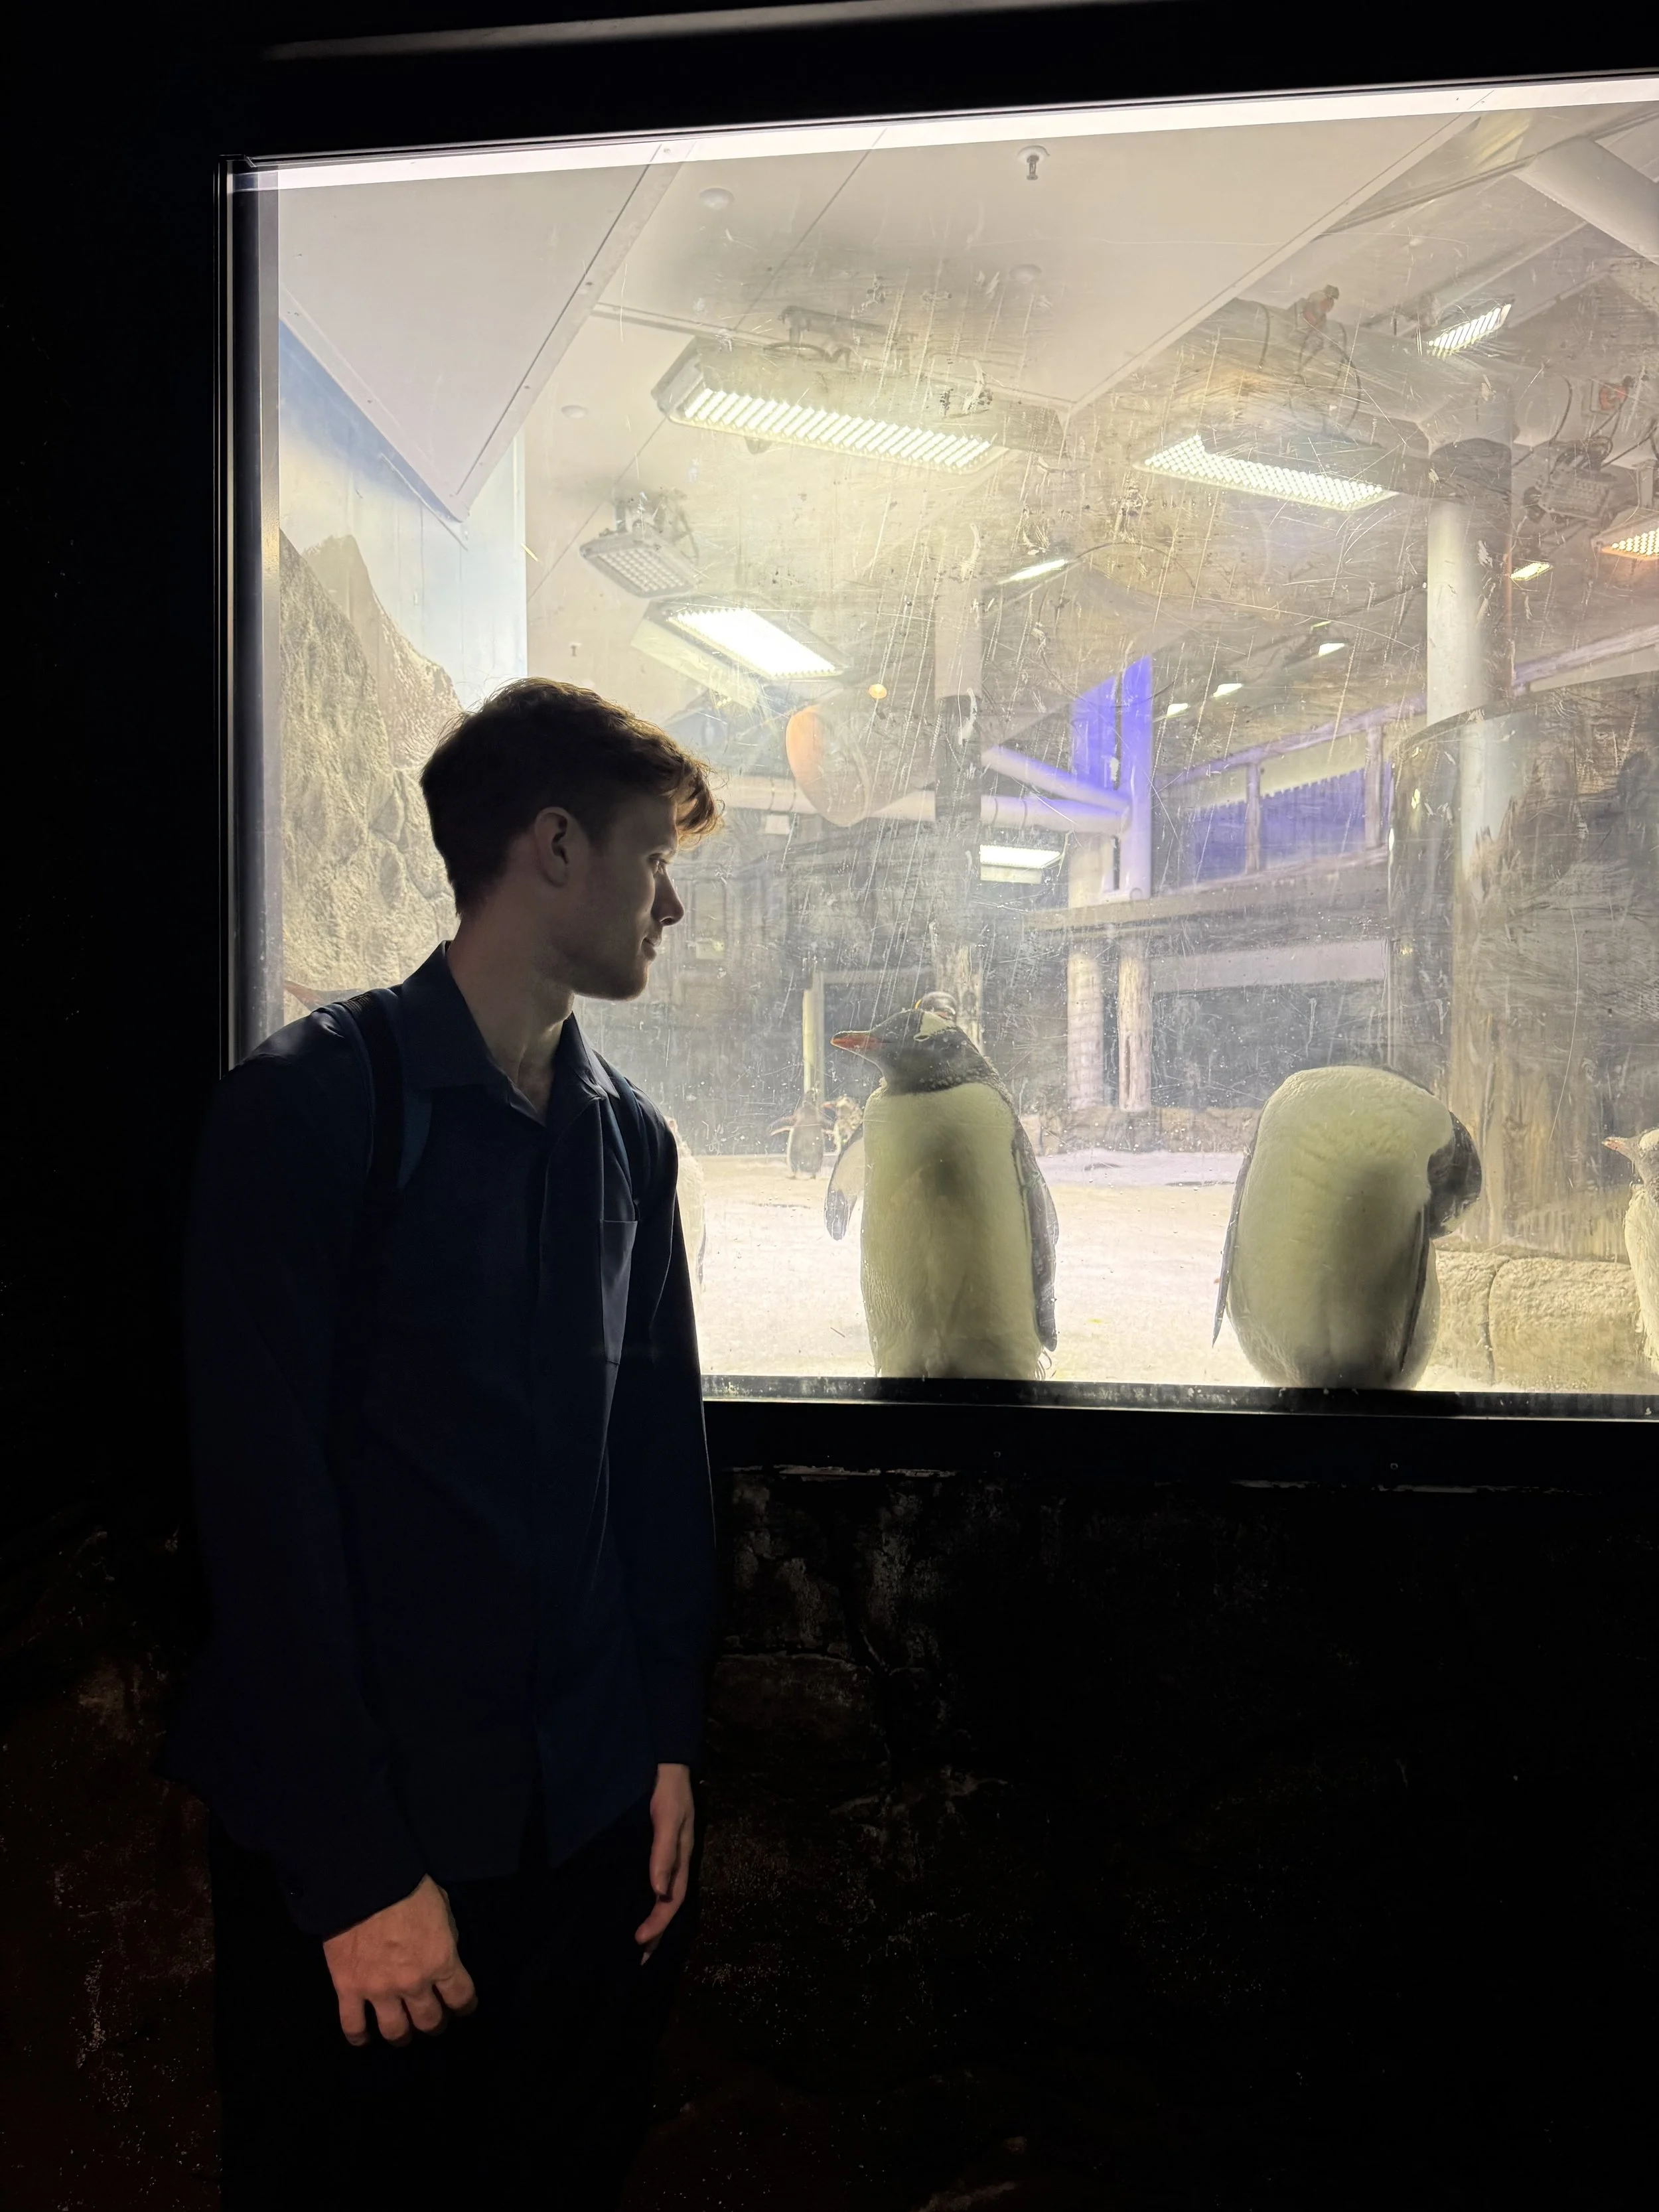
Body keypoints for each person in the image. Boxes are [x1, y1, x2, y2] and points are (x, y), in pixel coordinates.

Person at [161, 680, 722, 2207]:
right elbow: (259, 1513)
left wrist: (665, 1740)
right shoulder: (309, 1106)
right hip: (372, 1855)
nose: (670, 905)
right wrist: (354, 1869)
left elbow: (653, 1468)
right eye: (654, 859)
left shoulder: (631, 1144)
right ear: (556, 847)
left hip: (590, 1835)